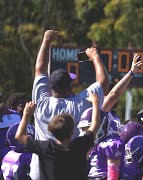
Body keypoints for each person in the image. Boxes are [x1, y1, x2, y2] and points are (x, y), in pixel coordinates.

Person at [30, 30, 109, 179]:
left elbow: (39, 69)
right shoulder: (79, 104)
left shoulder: (40, 103)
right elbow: (103, 83)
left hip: (40, 173)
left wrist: (46, 40)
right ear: (71, 87)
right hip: (71, 171)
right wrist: (95, 57)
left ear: (50, 86)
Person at [15, 93, 100, 180]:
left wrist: (26, 115)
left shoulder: (46, 148)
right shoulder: (80, 145)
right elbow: (95, 124)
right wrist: (95, 103)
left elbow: (19, 136)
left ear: (52, 131)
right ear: (72, 131)